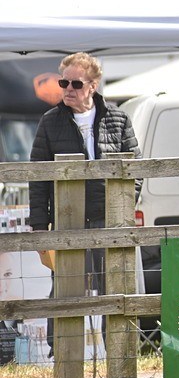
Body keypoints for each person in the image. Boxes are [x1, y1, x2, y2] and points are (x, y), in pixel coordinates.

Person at [28, 53, 141, 350]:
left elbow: (137, 170)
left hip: (110, 218)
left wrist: (125, 206)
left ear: (93, 85)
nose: (67, 88)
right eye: (63, 81)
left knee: (114, 287)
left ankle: (119, 351)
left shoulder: (119, 118)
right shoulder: (49, 121)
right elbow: (37, 177)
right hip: (67, 218)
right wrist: (40, 225)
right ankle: (60, 351)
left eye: (75, 83)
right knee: (66, 288)